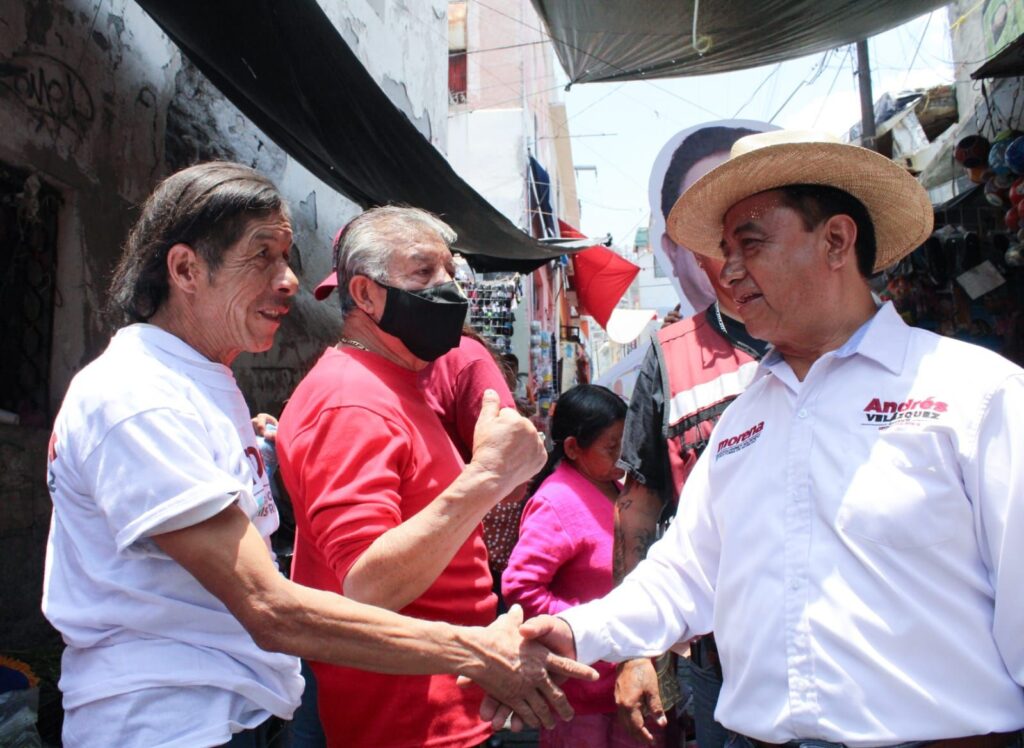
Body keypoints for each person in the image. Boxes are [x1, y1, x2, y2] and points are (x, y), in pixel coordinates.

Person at [488, 131, 1024, 745]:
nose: (728, 272)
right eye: (724, 250)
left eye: (751, 244)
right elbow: (687, 575)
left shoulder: (976, 396)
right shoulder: (744, 423)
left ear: (836, 241)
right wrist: (580, 633)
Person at [41, 163, 594, 748]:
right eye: (262, 256)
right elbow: (271, 606)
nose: (287, 282)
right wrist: (477, 649)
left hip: (235, 713)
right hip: (169, 725)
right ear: (185, 268)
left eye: (288, 259)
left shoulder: (203, 384)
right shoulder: (139, 397)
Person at [275, 206, 556, 747]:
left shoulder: (397, 382)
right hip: (408, 721)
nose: (448, 289)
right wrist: (489, 477)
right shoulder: (352, 401)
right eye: (423, 272)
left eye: (450, 272)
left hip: (448, 709)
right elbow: (368, 586)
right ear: (365, 293)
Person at [615, 123, 772, 748]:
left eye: (754, 231)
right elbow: (637, 517)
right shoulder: (670, 354)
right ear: (680, 251)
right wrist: (634, 650)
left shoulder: (837, 347)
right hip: (717, 661)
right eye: (715, 234)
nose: (735, 258)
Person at [504, 385, 661, 748]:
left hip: (628, 677)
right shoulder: (556, 500)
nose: (623, 456)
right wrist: (582, 629)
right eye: (611, 447)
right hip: (586, 696)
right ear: (574, 448)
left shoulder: (616, 487)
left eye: (626, 443)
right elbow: (521, 589)